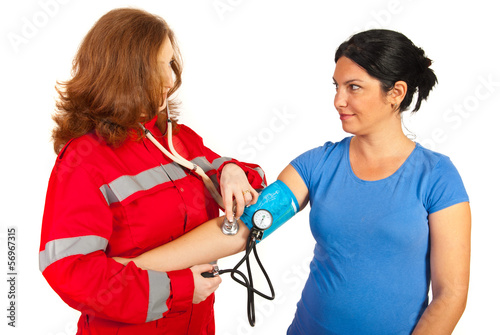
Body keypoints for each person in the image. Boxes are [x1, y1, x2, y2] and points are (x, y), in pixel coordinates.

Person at [112, 29, 471, 334]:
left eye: (354, 87)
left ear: (396, 93)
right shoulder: (317, 165)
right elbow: (244, 228)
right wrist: (129, 268)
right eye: (336, 86)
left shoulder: (437, 177)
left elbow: (450, 293)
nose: (338, 100)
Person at [39, 8, 266, 335]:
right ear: (123, 74)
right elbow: (71, 273)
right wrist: (180, 288)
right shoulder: (85, 161)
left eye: (171, 64)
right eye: (159, 68)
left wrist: (231, 170)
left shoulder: (178, 139)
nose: (171, 80)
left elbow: (249, 186)